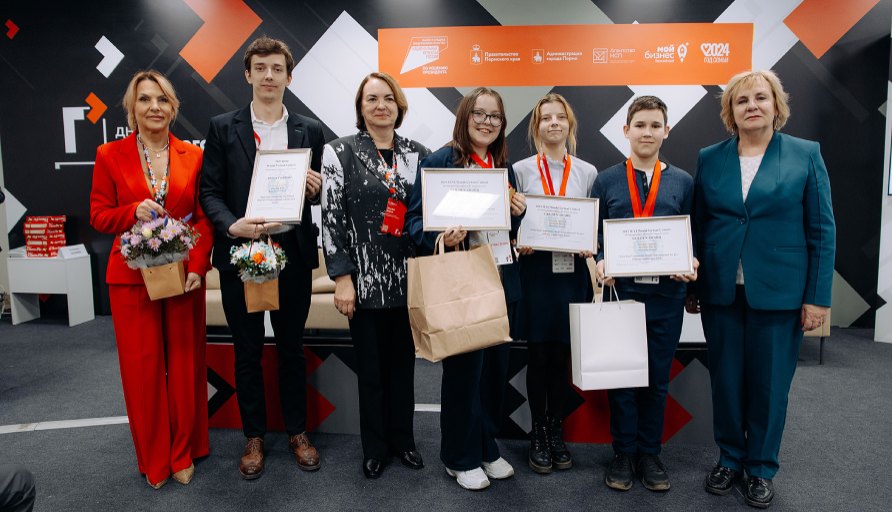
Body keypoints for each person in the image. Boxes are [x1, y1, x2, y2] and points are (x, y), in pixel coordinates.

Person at [691, 70, 835, 509]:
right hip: (721, 290)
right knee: (726, 382)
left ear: (776, 106)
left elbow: (822, 230)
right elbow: (699, 224)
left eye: (760, 98)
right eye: (741, 100)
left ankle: (760, 467)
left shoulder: (805, 154)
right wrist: (693, 286)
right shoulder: (709, 158)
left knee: (770, 386)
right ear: (730, 112)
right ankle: (729, 458)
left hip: (780, 291)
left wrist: (817, 297)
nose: (752, 105)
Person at [199, 36, 325, 479]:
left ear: (289, 76)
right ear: (248, 74)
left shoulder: (309, 129)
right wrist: (231, 225)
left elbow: (318, 191)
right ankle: (253, 436)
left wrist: (316, 189)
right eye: (260, 68)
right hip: (241, 252)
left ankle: (297, 432)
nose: (269, 75)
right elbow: (209, 192)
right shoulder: (222, 127)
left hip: (292, 251)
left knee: (292, 348)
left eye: (277, 68)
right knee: (247, 350)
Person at [90, 70, 213, 488]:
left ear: (173, 108)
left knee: (183, 366)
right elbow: (99, 215)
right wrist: (132, 212)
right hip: (130, 278)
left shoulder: (193, 156)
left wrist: (198, 267)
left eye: (162, 99)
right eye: (144, 99)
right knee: (142, 370)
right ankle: (154, 458)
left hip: (182, 276)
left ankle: (182, 453)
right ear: (132, 108)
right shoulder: (109, 154)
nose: (154, 107)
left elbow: (203, 218)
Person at [406, 87, 527, 491]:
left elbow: (505, 228)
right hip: (462, 283)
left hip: (501, 280)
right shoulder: (440, 161)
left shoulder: (503, 167)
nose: (487, 122)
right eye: (479, 113)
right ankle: (459, 456)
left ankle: (487, 446)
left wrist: (519, 214)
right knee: (464, 376)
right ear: (464, 116)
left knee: (493, 375)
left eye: (495, 116)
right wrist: (443, 236)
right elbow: (414, 222)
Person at [321, 72, 431, 479]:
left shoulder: (419, 153)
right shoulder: (339, 151)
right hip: (362, 281)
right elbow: (331, 219)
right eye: (372, 99)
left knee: (404, 367)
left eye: (388, 98)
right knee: (371, 370)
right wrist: (342, 277)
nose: (381, 105)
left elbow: (427, 212)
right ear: (361, 107)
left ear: (399, 106)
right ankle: (375, 447)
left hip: (408, 277)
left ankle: (404, 440)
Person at [590, 96, 698, 492]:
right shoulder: (606, 180)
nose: (647, 132)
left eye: (655, 126)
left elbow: (693, 235)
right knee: (622, 378)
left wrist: (691, 261)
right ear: (626, 130)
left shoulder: (683, 182)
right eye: (640, 125)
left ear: (666, 131)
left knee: (656, 380)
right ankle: (623, 452)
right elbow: (595, 234)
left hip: (667, 298)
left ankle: (650, 453)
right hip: (622, 296)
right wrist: (600, 259)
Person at [513, 93, 597, 474]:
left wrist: (590, 242)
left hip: (571, 273)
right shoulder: (520, 171)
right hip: (535, 273)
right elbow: (512, 220)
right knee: (538, 355)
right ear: (537, 127)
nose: (553, 123)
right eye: (546, 118)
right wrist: (520, 238)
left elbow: (593, 221)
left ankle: (556, 429)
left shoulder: (587, 172)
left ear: (569, 124)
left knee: (562, 356)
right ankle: (537, 432)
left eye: (560, 117)